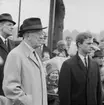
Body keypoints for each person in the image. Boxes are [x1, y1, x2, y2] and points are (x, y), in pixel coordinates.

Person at [3, 17, 47, 105]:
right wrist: (28, 102)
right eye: (38, 33)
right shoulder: (15, 55)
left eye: (42, 33)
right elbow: (10, 88)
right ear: (27, 35)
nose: (42, 36)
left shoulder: (35, 54)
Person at [58, 32, 102, 105]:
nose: (91, 46)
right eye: (88, 44)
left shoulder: (95, 65)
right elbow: (64, 93)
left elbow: (98, 91)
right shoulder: (68, 65)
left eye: (91, 43)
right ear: (79, 44)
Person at [0, 13, 16, 96]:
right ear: (1, 26)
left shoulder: (12, 44)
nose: (12, 27)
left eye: (12, 25)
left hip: (10, 90)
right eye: (9, 25)